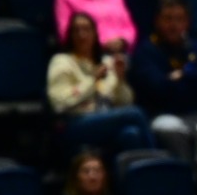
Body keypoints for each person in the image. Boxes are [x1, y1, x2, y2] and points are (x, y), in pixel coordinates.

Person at [131, 0, 197, 156]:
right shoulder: (146, 51)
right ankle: (186, 176)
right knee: (171, 129)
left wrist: (182, 75)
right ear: (157, 21)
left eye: (179, 19)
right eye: (168, 19)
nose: (174, 25)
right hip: (164, 114)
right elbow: (159, 88)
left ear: (187, 23)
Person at [49, 10, 148, 153]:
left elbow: (125, 102)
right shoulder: (61, 62)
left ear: (95, 34)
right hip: (76, 121)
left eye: (86, 29)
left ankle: (139, 173)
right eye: (76, 30)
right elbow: (60, 103)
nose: (81, 35)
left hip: (106, 117)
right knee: (135, 114)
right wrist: (92, 80)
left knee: (131, 134)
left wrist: (120, 80)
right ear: (70, 35)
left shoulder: (106, 62)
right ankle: (158, 162)